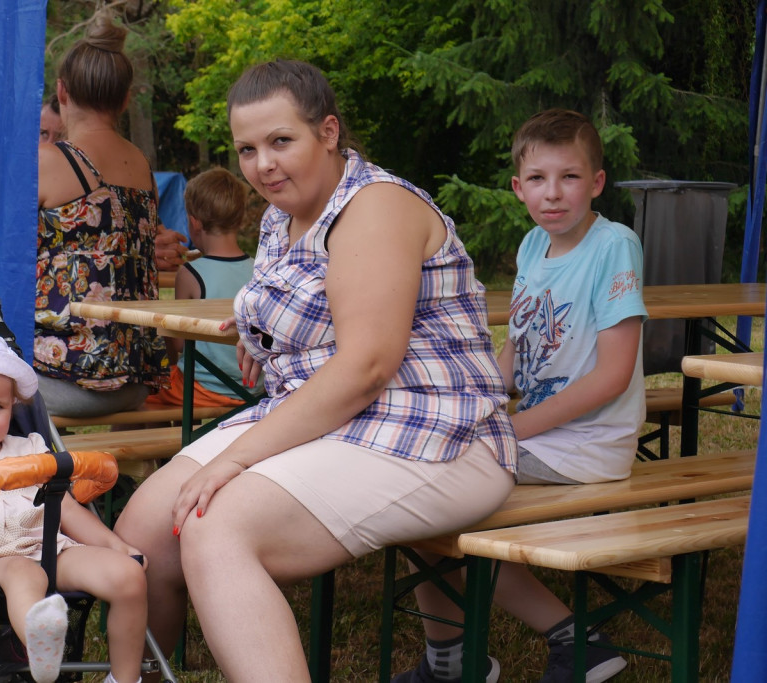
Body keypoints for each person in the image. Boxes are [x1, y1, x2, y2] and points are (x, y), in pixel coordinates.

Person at [112, 59, 519, 682]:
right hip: (330, 421)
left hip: (434, 433)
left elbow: (366, 366)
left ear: (328, 132)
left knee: (217, 526)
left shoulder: (376, 206)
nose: (262, 165)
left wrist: (234, 458)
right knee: (144, 528)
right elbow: (305, 307)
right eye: (247, 150)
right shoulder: (283, 214)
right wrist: (262, 335)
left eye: (281, 141)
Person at [394, 109, 645, 683]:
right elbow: (520, 349)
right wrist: (477, 400)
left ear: (597, 183)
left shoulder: (614, 247)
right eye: (537, 179)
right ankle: (451, 663)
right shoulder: (534, 246)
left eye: (570, 177)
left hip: (583, 445)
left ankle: (576, 641)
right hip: (539, 436)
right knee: (412, 486)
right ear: (518, 187)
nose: (552, 193)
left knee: (427, 498)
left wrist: (512, 429)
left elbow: (612, 377)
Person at [0, 14, 187, 417]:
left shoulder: (46, 162)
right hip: (135, 379)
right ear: (126, 99)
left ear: (61, 92)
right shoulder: (142, 166)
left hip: (65, 375)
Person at [0, 332, 148, 683]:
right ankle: (42, 641)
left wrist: (116, 546)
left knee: (128, 575)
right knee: (25, 574)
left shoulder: (29, 446)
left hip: (50, 548)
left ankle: (125, 679)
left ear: (12, 405)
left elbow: (64, 506)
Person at [145, 167, 260, 409]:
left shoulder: (190, 274)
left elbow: (177, 344)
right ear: (240, 220)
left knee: (142, 395)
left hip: (203, 389)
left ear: (194, 223)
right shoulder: (258, 270)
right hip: (253, 388)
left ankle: (168, 440)